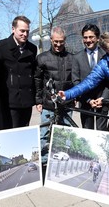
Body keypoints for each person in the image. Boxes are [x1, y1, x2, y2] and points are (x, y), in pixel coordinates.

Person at [34, 26, 74, 180]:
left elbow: (74, 80)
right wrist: (38, 100)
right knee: (44, 133)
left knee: (65, 133)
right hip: (48, 103)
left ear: (65, 41)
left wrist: (74, 96)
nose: (58, 44)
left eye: (61, 42)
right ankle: (43, 162)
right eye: (55, 41)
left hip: (67, 102)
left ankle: (63, 161)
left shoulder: (72, 57)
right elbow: (37, 80)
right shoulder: (42, 58)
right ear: (51, 40)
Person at [0, 16, 37, 128]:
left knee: (25, 131)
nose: (25, 34)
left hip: (26, 101)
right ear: (13, 29)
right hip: (9, 101)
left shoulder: (32, 48)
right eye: (22, 31)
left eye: (27, 31)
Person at [72, 24, 109, 131]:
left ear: (97, 38)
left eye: (91, 37)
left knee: (102, 135)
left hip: (102, 102)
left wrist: (103, 98)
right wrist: (88, 100)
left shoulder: (106, 56)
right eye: (85, 37)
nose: (88, 40)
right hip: (85, 102)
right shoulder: (76, 58)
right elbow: (76, 82)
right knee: (87, 135)